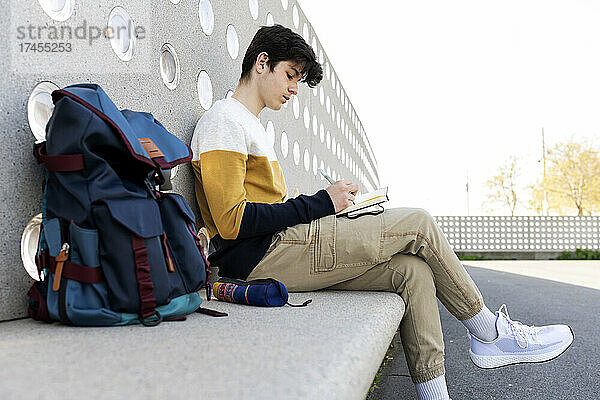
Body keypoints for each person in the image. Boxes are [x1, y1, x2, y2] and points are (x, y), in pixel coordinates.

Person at [190, 24, 574, 400]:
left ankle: (435, 394)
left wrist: (329, 204)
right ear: (262, 63)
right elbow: (232, 221)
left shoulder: (247, 125)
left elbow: (264, 208)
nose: (293, 89)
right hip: (263, 256)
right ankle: (489, 333)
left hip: (281, 248)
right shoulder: (225, 120)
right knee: (419, 224)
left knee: (413, 272)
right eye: (290, 75)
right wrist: (323, 203)